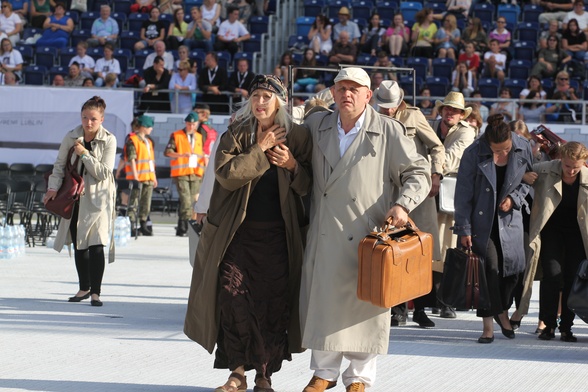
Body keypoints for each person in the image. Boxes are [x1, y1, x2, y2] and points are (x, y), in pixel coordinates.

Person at [300, 67, 431, 392]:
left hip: (368, 235)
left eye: (354, 89)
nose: (347, 94)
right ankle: (324, 372)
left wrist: (403, 204)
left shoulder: (387, 130)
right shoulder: (317, 126)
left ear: (367, 95)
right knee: (325, 301)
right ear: (332, 93)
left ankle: (358, 377)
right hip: (327, 232)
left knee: (366, 305)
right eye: (341, 88)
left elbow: (419, 171)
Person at [184, 73, 312, 392]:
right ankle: (237, 373)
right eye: (255, 96)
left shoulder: (297, 136)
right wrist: (260, 148)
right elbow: (227, 176)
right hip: (236, 235)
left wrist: (293, 165)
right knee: (232, 298)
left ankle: (264, 376)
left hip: (279, 238)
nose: (260, 102)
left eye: (267, 96)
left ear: (280, 100)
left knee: (271, 304)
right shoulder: (236, 134)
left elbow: (310, 184)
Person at [453, 114, 533, 343]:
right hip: (482, 223)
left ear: (511, 139)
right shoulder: (472, 153)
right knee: (489, 271)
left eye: (506, 149)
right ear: (487, 144)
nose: (502, 154)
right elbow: (463, 194)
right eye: (496, 151)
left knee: (514, 273)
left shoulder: (523, 146)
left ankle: (501, 310)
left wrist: (514, 199)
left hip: (510, 221)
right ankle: (489, 326)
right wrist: (464, 229)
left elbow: (528, 181)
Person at [375, 80, 445, 329]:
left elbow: (437, 146)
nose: (387, 111)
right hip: (388, 191)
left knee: (420, 250)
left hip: (417, 192)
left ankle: (422, 308)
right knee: (392, 249)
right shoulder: (373, 118)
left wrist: (436, 175)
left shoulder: (414, 117)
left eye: (390, 106)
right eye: (383, 106)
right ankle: (397, 308)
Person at [43, 96, 117, 307]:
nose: (88, 122)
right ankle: (83, 288)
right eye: (85, 117)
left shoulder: (109, 139)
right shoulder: (71, 136)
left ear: (102, 119)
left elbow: (103, 172)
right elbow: (59, 166)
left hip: (99, 199)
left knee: (97, 245)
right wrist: (52, 188)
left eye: (93, 118)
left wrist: (84, 154)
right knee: (79, 245)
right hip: (75, 198)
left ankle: (96, 292)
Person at [518, 141, 588, 342]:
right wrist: (524, 176)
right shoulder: (546, 170)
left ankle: (567, 327)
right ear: (560, 160)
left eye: (577, 166)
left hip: (577, 234)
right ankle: (548, 325)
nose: (572, 171)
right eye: (567, 166)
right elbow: (518, 170)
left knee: (572, 279)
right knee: (552, 276)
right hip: (551, 232)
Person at [430, 91, 477, 318]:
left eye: (455, 110)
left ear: (461, 115)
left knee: (448, 246)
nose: (450, 113)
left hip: (452, 193)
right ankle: (430, 299)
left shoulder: (468, 132)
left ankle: (446, 300)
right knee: (429, 244)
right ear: (441, 111)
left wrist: (425, 166)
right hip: (427, 191)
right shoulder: (430, 125)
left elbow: (449, 160)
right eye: (447, 108)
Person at [164, 112, 205, 236]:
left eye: (193, 124)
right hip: (181, 173)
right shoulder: (177, 135)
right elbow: (168, 152)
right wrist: (181, 155)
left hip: (196, 173)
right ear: (185, 123)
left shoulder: (199, 136)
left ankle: (185, 227)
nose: (191, 127)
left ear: (197, 124)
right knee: (186, 200)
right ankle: (183, 226)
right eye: (189, 124)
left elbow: (201, 154)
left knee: (193, 201)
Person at [124, 115, 157, 236]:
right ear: (142, 127)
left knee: (146, 203)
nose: (151, 129)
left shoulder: (148, 142)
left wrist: (154, 177)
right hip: (138, 178)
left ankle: (143, 225)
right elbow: (132, 159)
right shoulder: (133, 140)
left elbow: (150, 161)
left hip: (148, 177)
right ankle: (131, 225)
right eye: (149, 127)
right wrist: (135, 176)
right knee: (134, 202)